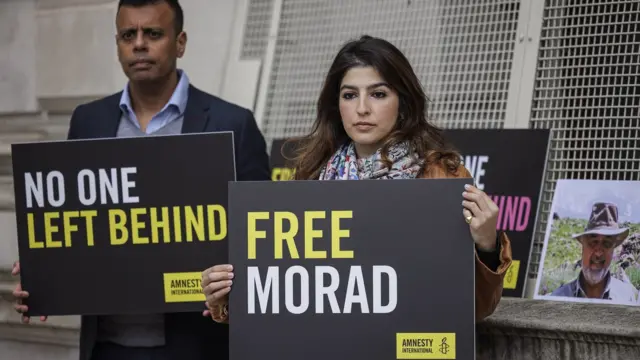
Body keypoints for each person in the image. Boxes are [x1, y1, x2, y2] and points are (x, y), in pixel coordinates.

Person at [11, 0, 270, 359]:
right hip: (106, 346)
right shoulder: (88, 121)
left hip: (197, 344)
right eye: (127, 34)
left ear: (180, 42)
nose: (139, 44)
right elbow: (78, 226)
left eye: (153, 33)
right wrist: (47, 272)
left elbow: (262, 240)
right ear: (117, 43)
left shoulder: (233, 124)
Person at [201, 35, 513, 324]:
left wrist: (487, 245)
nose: (362, 109)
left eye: (378, 94)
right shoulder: (308, 178)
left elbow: (475, 309)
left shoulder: (442, 176)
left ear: (402, 102)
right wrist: (228, 296)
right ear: (336, 105)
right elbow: (288, 295)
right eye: (350, 95)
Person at [551, 202, 639, 304]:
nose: (598, 253)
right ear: (582, 246)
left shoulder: (627, 298)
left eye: (607, 243)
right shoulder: (558, 298)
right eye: (593, 242)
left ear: (613, 250)